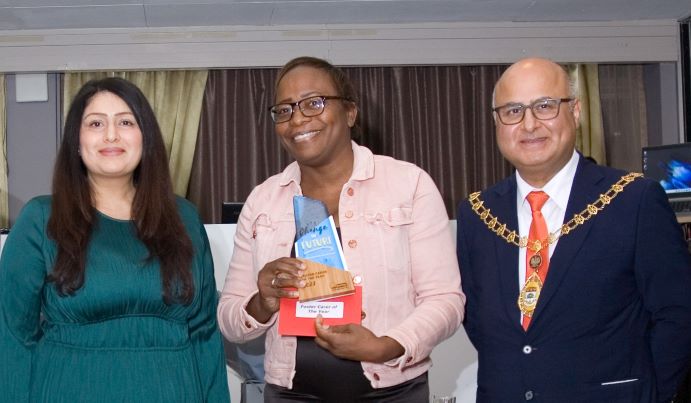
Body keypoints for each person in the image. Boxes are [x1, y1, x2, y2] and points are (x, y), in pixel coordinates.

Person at [217, 56, 464, 402]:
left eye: (314, 103)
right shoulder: (263, 201)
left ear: (350, 112)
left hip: (392, 391)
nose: (298, 118)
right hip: (290, 395)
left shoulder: (408, 185)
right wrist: (262, 302)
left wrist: (385, 346)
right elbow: (229, 317)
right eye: (285, 110)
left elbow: (445, 301)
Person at [456, 57, 691, 402]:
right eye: (513, 111)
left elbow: (679, 314)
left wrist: (647, 393)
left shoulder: (633, 200)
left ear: (576, 112)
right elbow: (478, 320)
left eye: (545, 106)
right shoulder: (477, 213)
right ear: (497, 122)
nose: (530, 124)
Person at [0, 77, 230, 402]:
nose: (111, 134)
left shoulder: (185, 218)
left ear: (145, 137)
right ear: (76, 142)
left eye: (125, 121)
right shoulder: (41, 219)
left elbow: (204, 332)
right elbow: (12, 336)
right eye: (95, 123)